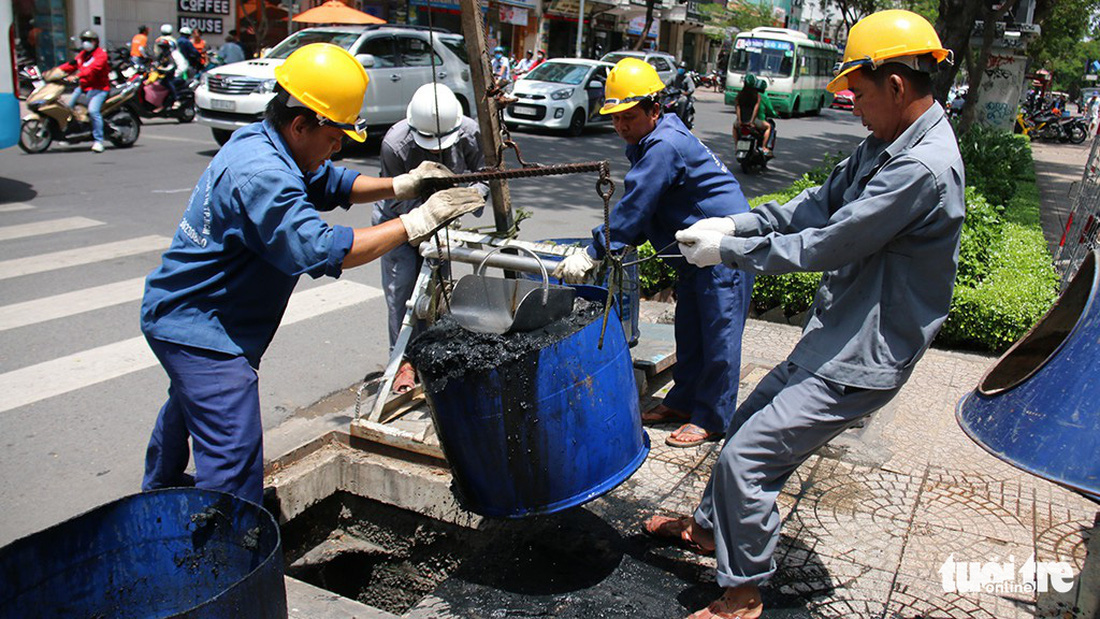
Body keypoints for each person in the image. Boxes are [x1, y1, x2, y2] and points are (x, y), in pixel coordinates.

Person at [662, 11, 964, 618]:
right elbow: (814, 205)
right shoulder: (884, 145)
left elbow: (829, 242)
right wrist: (736, 222)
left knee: (751, 457)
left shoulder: (921, 168)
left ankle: (742, 595)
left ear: (898, 85)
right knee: (745, 424)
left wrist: (731, 251)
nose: (852, 105)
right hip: (836, 335)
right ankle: (707, 531)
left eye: (858, 91)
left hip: (862, 356)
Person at [139, 43, 486, 506]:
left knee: (187, 404)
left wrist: (404, 184)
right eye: (334, 134)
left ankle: (159, 493)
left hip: (194, 312)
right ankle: (227, 550)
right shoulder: (261, 173)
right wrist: (416, 221)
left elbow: (330, 182)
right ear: (301, 123)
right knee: (233, 453)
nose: (338, 145)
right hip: (202, 329)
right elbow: (321, 249)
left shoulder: (265, 140)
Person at [552, 58, 754, 449]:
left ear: (654, 109)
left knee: (718, 335)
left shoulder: (663, 146)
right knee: (691, 331)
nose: (621, 126)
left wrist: (595, 251)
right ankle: (681, 403)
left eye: (629, 116)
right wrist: (614, 243)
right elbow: (646, 214)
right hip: (696, 252)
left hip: (723, 251)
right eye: (615, 118)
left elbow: (635, 208)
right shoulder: (655, 139)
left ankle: (712, 417)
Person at [375, 84, 488, 394]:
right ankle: (403, 364)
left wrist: (469, 197)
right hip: (398, 221)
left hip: (445, 225)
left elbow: (483, 176)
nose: (437, 149)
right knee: (404, 293)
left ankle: (433, 354)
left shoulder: (468, 133)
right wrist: (426, 217)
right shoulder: (395, 144)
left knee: (437, 293)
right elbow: (395, 197)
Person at [59, 29, 110, 153]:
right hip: (83, 88)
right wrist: (56, 72)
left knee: (93, 112)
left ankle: (98, 141)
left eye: (89, 40)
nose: (86, 43)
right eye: (84, 40)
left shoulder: (101, 55)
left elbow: (92, 69)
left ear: (95, 42)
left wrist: (77, 76)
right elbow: (71, 65)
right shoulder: (82, 55)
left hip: (99, 90)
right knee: (67, 108)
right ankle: (69, 135)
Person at [734, 74, 773, 154]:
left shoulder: (740, 95)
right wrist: (751, 122)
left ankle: (736, 146)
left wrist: (739, 120)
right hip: (753, 121)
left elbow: (738, 108)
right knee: (768, 126)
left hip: (742, 121)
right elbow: (755, 110)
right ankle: (763, 146)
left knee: (734, 127)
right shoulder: (757, 96)